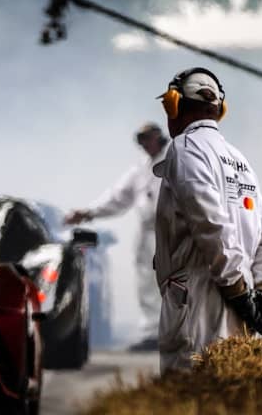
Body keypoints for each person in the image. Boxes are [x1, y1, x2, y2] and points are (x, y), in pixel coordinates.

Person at [152, 68, 262, 371]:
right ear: (219, 110)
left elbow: (210, 225)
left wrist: (238, 292)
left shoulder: (184, 148)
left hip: (196, 303)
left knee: (188, 393)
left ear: (175, 105)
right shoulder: (238, 160)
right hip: (241, 306)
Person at [65, 123, 169, 352]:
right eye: (140, 140)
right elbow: (117, 198)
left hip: (176, 231)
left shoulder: (178, 160)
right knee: (147, 283)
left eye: (147, 139)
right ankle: (154, 333)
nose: (143, 145)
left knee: (178, 282)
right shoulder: (140, 170)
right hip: (148, 233)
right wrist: (88, 212)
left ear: (158, 138)